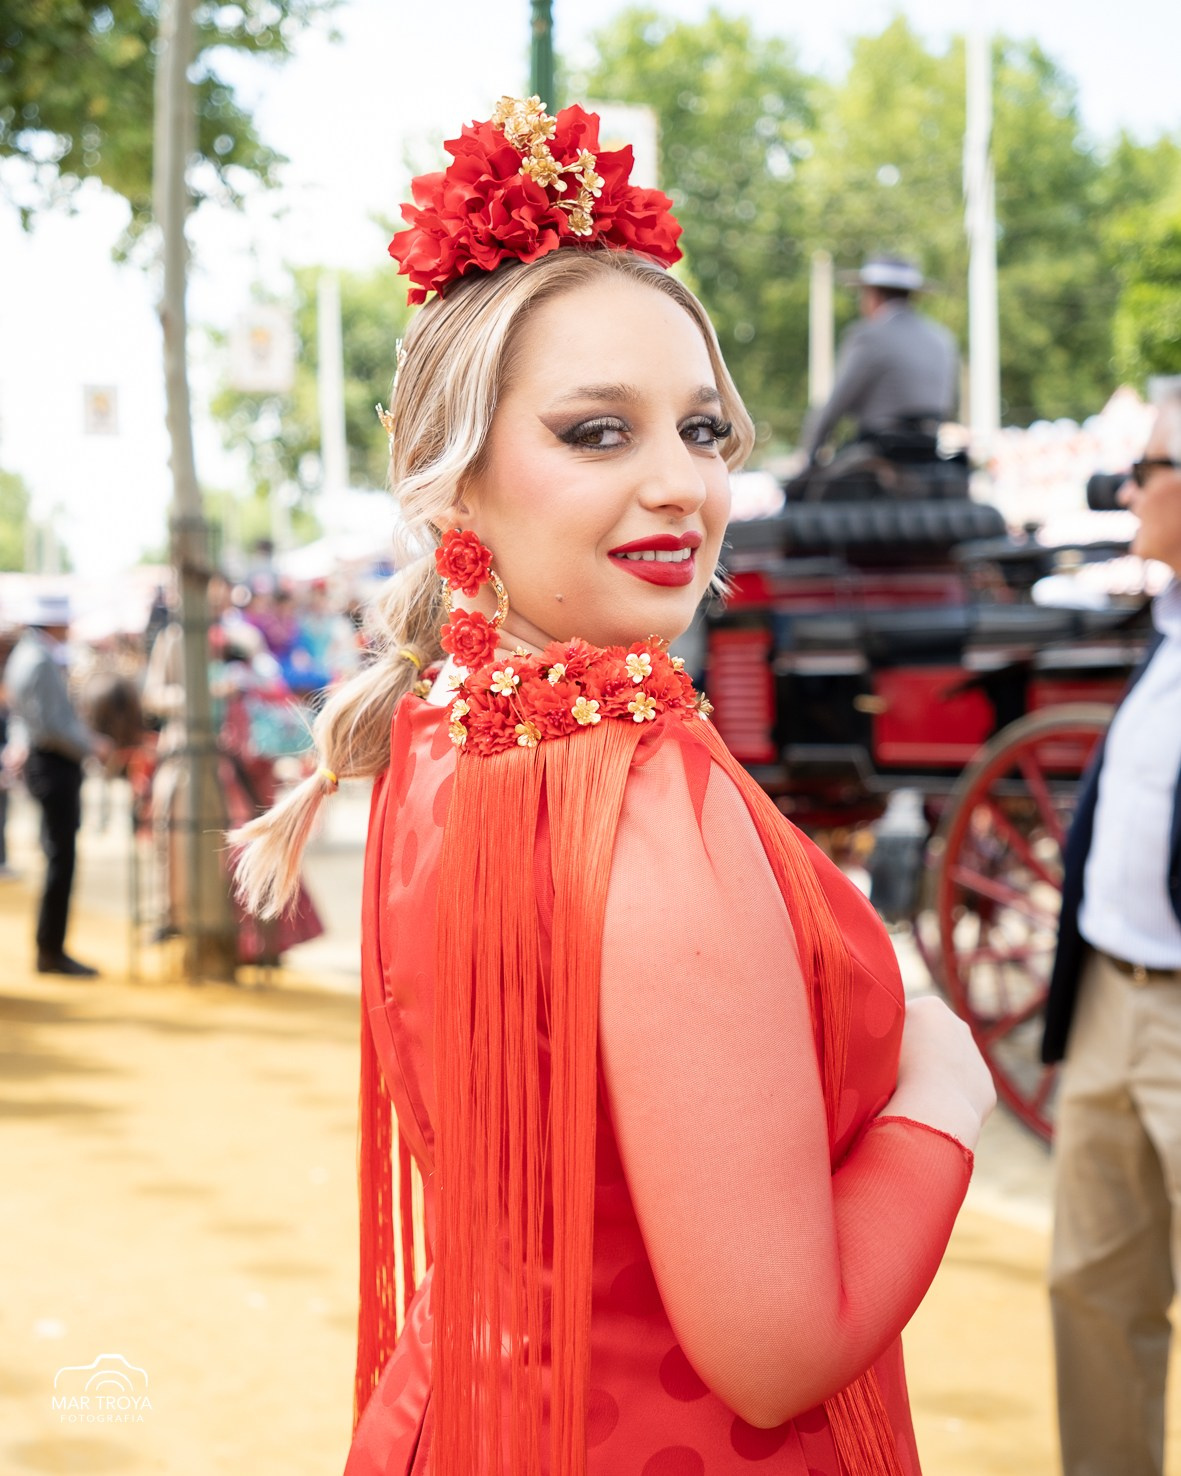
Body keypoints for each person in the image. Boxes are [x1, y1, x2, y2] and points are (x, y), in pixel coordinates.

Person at [233, 97, 994, 1475]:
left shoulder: (440, 736)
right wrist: (940, 1097)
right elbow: (775, 1349)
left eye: (701, 431)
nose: (679, 486)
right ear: (455, 488)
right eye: (597, 434)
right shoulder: (651, 807)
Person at [1042, 385, 1181, 1476]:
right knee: (1090, 1287)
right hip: (1108, 995)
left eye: (1148, 470)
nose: (1128, 491)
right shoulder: (1165, 627)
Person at [142, 571, 321, 962]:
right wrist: (199, 696)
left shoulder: (244, 636)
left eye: (221, 599)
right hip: (190, 755)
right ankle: (183, 924)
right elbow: (153, 695)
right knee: (185, 838)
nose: (215, 605)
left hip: (245, 757)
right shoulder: (174, 639)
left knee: (250, 839)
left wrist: (246, 679)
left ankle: (260, 940)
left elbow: (272, 682)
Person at [2, 592, 110, 975]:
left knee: (57, 855)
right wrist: (93, 745)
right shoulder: (40, 659)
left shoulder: (26, 655)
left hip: (44, 761)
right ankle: (51, 950)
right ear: (55, 623)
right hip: (54, 764)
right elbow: (52, 727)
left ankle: (50, 948)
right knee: (61, 858)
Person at [793, 256, 959, 499]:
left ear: (874, 295)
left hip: (880, 454)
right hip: (929, 451)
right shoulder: (943, 340)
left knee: (803, 495)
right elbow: (949, 404)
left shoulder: (868, 336)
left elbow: (835, 405)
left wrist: (808, 457)